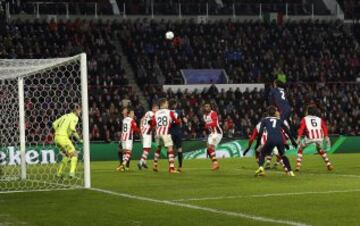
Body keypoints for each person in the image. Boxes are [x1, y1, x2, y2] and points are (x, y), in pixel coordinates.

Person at [254, 106, 297, 177]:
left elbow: (261, 132)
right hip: (280, 139)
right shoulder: (279, 120)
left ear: (268, 112)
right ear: (274, 112)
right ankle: (290, 172)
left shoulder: (265, 120)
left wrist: (258, 143)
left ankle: (261, 167)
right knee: (283, 155)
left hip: (270, 139)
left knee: (262, 154)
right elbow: (287, 130)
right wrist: (293, 141)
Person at [295, 105, 333, 171]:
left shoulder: (305, 119)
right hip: (319, 137)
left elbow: (302, 128)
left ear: (308, 112)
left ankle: (298, 166)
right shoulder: (319, 119)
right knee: (320, 150)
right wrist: (326, 137)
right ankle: (329, 164)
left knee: (300, 148)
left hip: (310, 137)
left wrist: (298, 137)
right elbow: (324, 127)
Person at [151, 98, 180, 173]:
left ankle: (155, 164)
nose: (168, 104)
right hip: (165, 133)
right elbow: (175, 120)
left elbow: (153, 124)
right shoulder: (169, 112)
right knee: (170, 148)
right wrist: (175, 121)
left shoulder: (156, 113)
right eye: (167, 103)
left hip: (158, 133)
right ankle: (171, 168)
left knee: (158, 148)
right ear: (163, 104)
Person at [53, 104, 82, 178]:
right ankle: (72, 173)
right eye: (79, 110)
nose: (80, 111)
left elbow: (54, 124)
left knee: (67, 155)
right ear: (76, 110)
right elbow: (72, 128)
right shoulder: (75, 117)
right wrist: (79, 139)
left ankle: (59, 173)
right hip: (63, 138)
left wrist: (58, 132)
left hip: (56, 138)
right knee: (75, 154)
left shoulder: (65, 116)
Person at [117, 106, 141, 172]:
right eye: (132, 113)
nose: (133, 114)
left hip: (123, 138)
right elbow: (135, 129)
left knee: (125, 153)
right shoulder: (131, 120)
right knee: (129, 152)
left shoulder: (124, 120)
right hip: (128, 138)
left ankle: (122, 167)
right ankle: (123, 164)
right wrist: (141, 130)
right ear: (129, 114)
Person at [137, 103, 159, 170]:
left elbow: (142, 120)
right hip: (146, 132)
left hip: (144, 131)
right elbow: (152, 123)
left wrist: (141, 128)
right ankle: (141, 161)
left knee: (147, 148)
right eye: (156, 108)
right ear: (153, 109)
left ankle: (144, 162)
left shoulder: (146, 114)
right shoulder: (151, 113)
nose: (157, 110)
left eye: (158, 109)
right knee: (147, 148)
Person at [202, 102, 222, 171]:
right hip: (212, 133)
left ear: (210, 107)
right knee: (208, 146)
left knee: (210, 146)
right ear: (204, 108)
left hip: (217, 132)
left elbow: (215, 123)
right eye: (206, 106)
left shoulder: (213, 113)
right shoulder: (204, 116)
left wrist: (207, 125)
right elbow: (208, 126)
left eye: (208, 106)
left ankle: (215, 163)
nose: (207, 108)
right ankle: (215, 163)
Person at [169, 99, 187, 172]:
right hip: (178, 132)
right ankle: (180, 166)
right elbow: (185, 120)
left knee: (170, 150)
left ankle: (171, 166)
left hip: (170, 132)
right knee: (179, 149)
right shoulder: (179, 111)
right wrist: (183, 127)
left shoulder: (167, 112)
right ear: (175, 105)